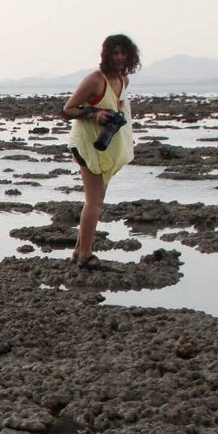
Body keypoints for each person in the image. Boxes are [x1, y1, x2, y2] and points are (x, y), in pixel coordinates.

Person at [61, 34, 140, 267]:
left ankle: (78, 251)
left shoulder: (124, 80)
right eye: (114, 53)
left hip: (106, 146)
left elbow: (120, 105)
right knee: (94, 201)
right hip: (86, 145)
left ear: (129, 55)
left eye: (123, 53)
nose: (118, 57)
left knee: (98, 198)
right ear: (106, 55)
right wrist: (94, 114)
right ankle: (85, 256)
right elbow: (67, 110)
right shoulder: (95, 80)